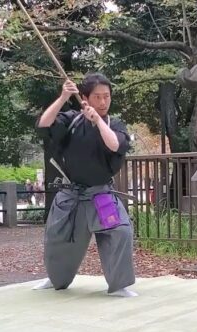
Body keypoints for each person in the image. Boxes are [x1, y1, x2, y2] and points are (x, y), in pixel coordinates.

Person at [33, 73, 137, 297]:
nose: (102, 102)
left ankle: (119, 285)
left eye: (106, 97)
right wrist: (62, 97)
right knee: (56, 236)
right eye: (97, 97)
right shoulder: (71, 119)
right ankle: (55, 279)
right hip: (70, 195)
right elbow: (44, 124)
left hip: (101, 194)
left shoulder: (113, 123)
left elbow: (115, 145)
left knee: (120, 232)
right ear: (85, 98)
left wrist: (98, 121)